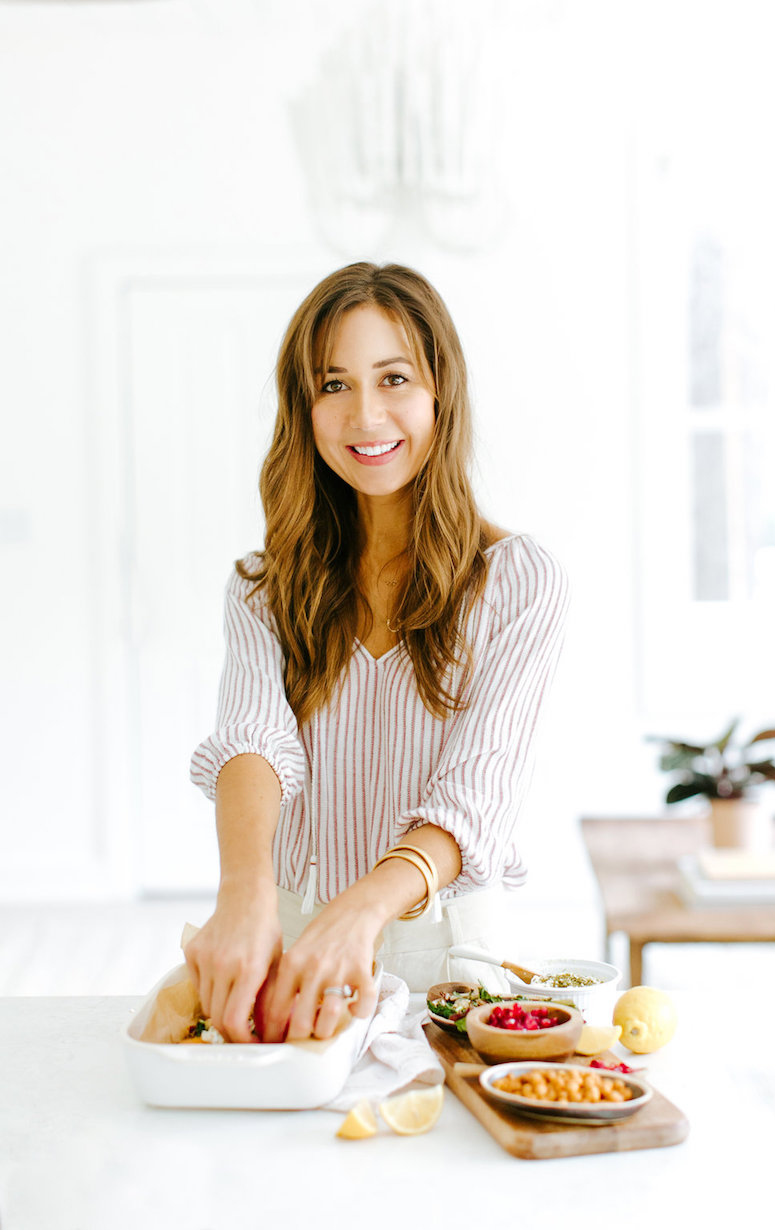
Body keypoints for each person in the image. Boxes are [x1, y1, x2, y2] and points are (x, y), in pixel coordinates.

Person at [185, 262, 569, 1045]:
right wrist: (245, 893)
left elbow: (475, 797)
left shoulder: (520, 582)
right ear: (305, 408)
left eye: (393, 378)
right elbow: (255, 741)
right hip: (293, 933)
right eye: (334, 385)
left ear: (440, 394)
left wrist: (358, 910)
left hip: (448, 950)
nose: (366, 415)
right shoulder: (263, 590)